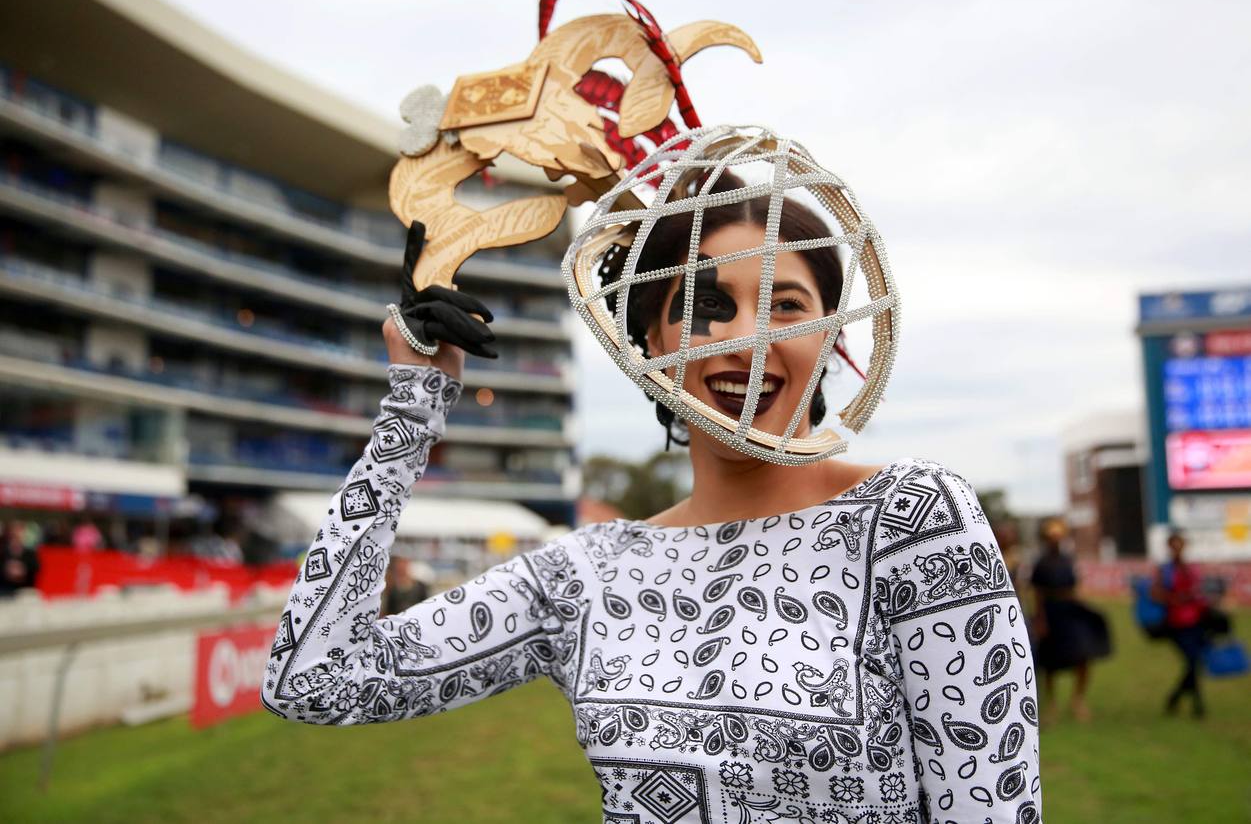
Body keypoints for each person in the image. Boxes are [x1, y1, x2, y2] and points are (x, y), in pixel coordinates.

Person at [263, 186, 1042, 823]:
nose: (746, 339)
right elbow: (316, 680)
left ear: (832, 336)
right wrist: (411, 410)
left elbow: (993, 807)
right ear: (652, 341)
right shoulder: (586, 572)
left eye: (786, 304)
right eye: (708, 304)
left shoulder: (910, 518)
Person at [1028, 519, 1111, 725]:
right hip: (1051, 612)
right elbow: (1038, 593)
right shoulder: (1041, 563)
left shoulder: (1068, 560)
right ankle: (1052, 702)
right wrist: (1040, 619)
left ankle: (1077, 699)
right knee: (1050, 660)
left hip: (1071, 611)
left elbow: (1075, 586)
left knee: (1083, 653)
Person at [1152, 528, 1214, 718]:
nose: (1177, 548)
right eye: (1174, 545)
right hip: (1176, 623)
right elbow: (1156, 594)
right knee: (1193, 661)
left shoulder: (1192, 568)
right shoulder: (1165, 570)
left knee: (1194, 662)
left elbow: (1201, 592)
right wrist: (1175, 599)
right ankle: (1193, 703)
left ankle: (1179, 698)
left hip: (1196, 621)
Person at [0, 520, 40, 598]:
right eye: (14, 531)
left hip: (25, 590)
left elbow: (36, 567)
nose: (16, 534)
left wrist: (23, 569)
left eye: (19, 531)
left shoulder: (30, 552)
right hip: (5, 590)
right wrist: (7, 569)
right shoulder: (3, 552)